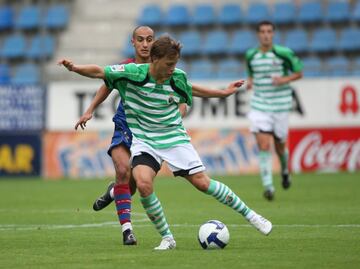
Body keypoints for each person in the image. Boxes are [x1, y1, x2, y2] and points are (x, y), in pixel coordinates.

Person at [58, 35, 273, 251]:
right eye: (169, 64)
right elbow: (99, 72)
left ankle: (253, 216)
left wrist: (223, 92)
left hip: (173, 138)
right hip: (145, 141)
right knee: (142, 183)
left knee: (202, 183)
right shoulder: (134, 74)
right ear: (155, 59)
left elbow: (194, 89)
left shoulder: (177, 78)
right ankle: (168, 238)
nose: (173, 68)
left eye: (175, 63)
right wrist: (75, 68)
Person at [245, 21, 303, 201]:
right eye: (262, 31)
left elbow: (299, 72)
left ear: (273, 34)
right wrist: (250, 82)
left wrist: (284, 80)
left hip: (280, 106)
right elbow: (251, 73)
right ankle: (268, 186)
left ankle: (285, 170)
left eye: (269, 31)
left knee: (280, 146)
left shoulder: (283, 53)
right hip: (259, 106)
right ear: (258, 34)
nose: (265, 35)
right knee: (264, 145)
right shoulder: (251, 55)